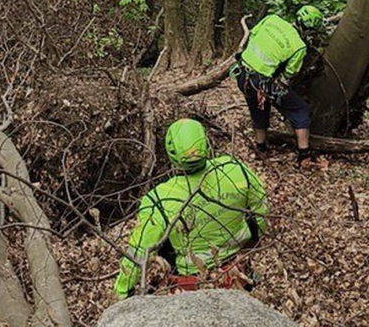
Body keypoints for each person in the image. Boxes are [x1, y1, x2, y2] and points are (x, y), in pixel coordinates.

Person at [113, 119, 269, 299]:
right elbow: (261, 209)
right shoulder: (235, 168)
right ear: (206, 143)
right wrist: (254, 241)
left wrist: (122, 290)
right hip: (238, 267)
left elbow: (140, 250)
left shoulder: (159, 199)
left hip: (192, 285)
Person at [232, 5, 326, 167]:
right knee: (300, 109)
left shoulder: (272, 19)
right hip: (261, 83)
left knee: (259, 106)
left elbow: (252, 35)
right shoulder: (299, 46)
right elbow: (290, 74)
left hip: (241, 74)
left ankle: (260, 147)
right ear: (310, 30)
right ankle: (304, 154)